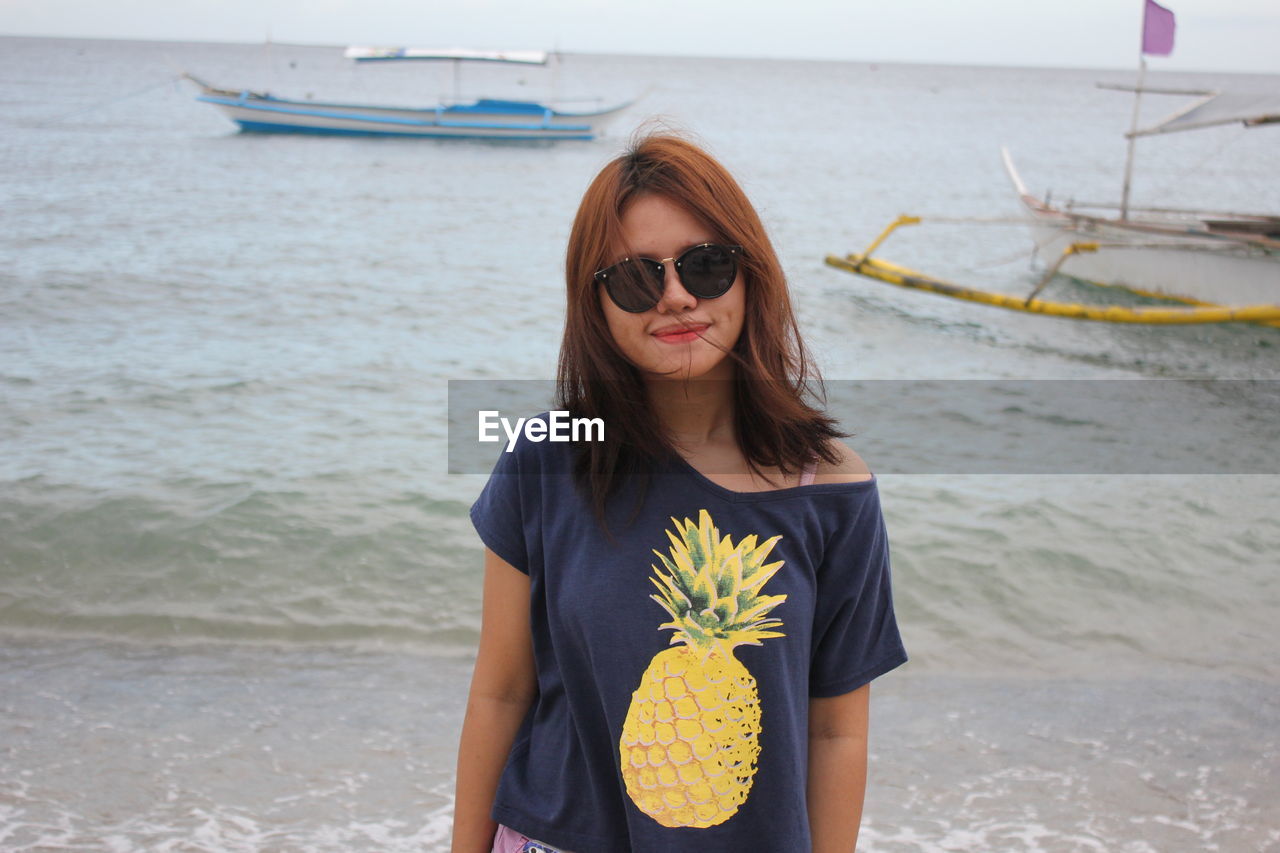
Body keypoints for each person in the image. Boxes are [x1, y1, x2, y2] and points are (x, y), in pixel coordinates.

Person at [452, 133, 907, 853]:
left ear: (750, 273)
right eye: (636, 279)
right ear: (596, 303)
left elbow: (835, 728)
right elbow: (501, 690)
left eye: (707, 264)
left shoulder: (834, 488)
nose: (676, 296)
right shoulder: (546, 459)